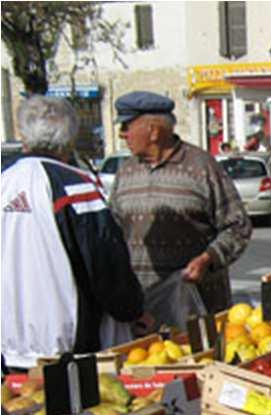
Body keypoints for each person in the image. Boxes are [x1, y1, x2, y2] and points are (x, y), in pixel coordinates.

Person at [1, 96, 144, 369]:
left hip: (9, 345)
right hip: (68, 345)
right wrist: (132, 309)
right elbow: (105, 261)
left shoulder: (5, 182)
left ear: (23, 134)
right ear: (70, 138)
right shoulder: (75, 186)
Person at [110, 91, 252, 325]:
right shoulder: (126, 171)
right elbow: (114, 231)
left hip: (197, 308)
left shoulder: (201, 167)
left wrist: (208, 259)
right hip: (143, 310)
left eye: (127, 125)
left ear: (154, 130)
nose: (122, 133)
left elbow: (238, 226)